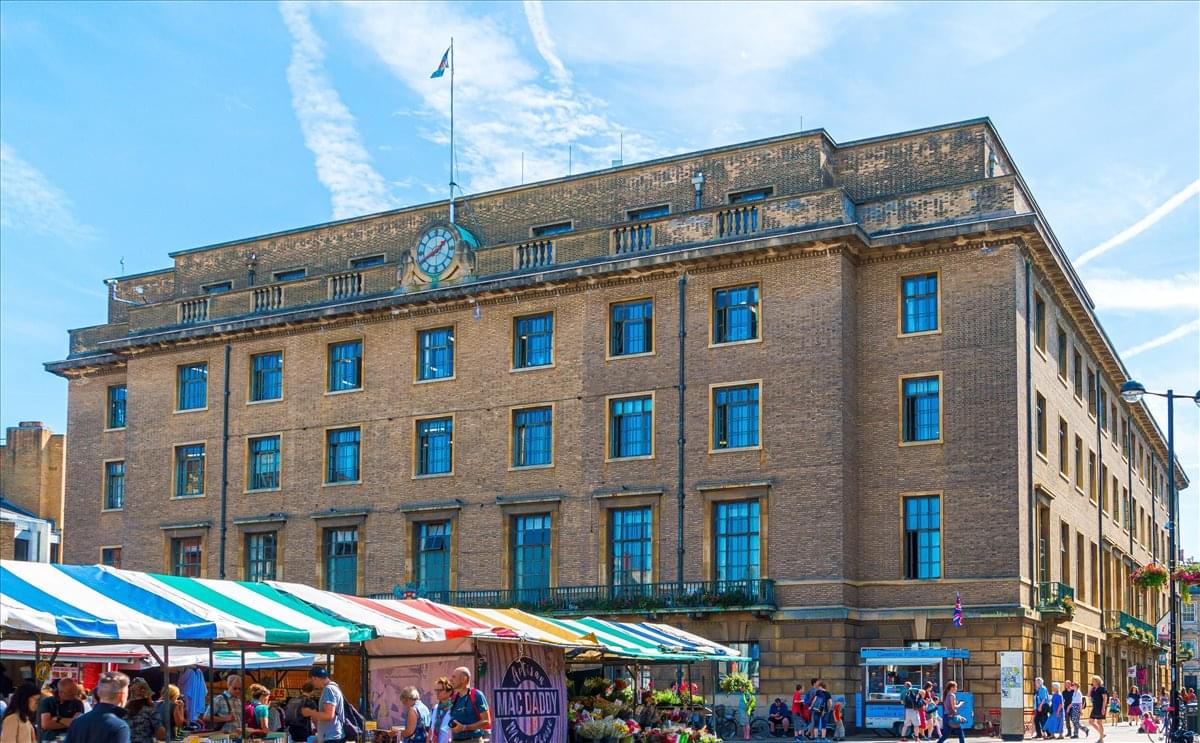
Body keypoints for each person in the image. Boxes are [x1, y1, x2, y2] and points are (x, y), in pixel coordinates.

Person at [64, 672, 131, 743]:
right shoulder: (119, 726)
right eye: (127, 694)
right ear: (122, 696)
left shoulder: (77, 722)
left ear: (99, 693)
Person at [300, 667, 345, 743]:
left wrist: (310, 712)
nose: (313, 684)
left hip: (331, 737)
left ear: (315, 678)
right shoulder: (334, 688)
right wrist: (319, 737)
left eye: (311, 681)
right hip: (331, 736)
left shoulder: (329, 689)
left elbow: (329, 715)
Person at [447, 666, 490, 742]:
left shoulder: (477, 695)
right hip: (455, 740)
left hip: (473, 740)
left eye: (454, 677)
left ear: (464, 679)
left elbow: (486, 721)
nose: (450, 680)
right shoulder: (453, 698)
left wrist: (465, 727)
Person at [430, 678, 454, 743]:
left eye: (440, 690)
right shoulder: (436, 708)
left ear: (449, 692)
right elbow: (431, 729)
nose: (437, 692)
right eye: (436, 690)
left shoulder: (454, 708)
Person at [1087, 676, 1108, 743]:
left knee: (1099, 722)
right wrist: (1090, 689)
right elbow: (1088, 696)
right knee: (1091, 721)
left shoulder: (1101, 688)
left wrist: (1103, 708)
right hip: (1095, 707)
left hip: (1100, 707)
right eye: (1092, 681)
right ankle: (1102, 734)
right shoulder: (1093, 689)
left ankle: (1101, 739)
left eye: (1093, 681)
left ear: (1097, 681)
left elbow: (1105, 698)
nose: (1092, 682)